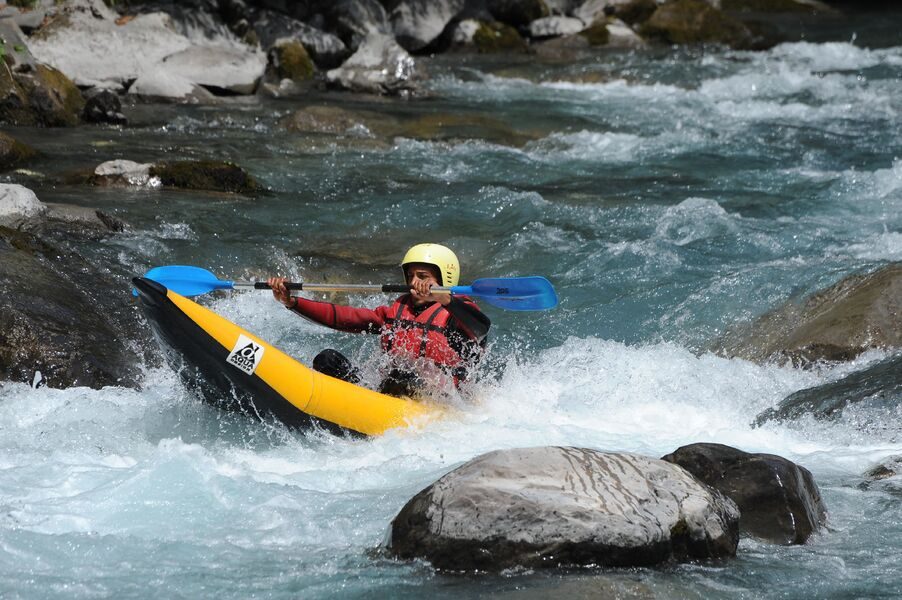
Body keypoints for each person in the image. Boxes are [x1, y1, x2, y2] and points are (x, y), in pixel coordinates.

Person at [267, 243, 490, 398]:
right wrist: (292, 302)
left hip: (438, 401)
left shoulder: (459, 311)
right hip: (388, 390)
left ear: (444, 279)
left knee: (404, 374)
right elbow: (344, 317)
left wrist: (446, 299)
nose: (414, 282)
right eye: (411, 276)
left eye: (423, 277)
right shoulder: (396, 310)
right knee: (327, 360)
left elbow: (481, 327)